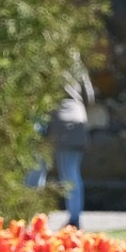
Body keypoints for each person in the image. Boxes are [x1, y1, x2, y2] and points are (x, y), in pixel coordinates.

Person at [48, 58, 96, 229]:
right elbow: (89, 97)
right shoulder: (77, 64)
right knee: (73, 171)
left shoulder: (50, 60)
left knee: (66, 172)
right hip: (78, 118)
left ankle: (73, 219)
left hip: (60, 120)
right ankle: (75, 217)